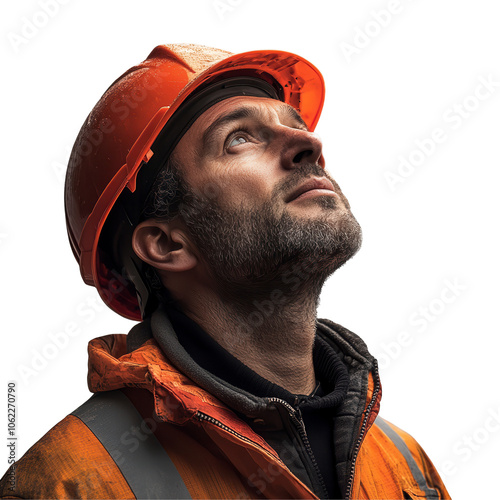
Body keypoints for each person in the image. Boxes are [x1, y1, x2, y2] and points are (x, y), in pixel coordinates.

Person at [0, 43, 450, 500]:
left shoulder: (405, 464)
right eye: (239, 138)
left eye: (295, 126)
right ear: (167, 244)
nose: (310, 144)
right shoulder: (68, 484)